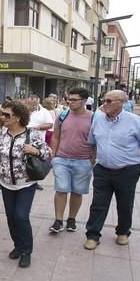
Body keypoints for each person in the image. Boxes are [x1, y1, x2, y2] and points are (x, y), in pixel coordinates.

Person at [84, 90, 140, 250]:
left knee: (125, 203)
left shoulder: (135, 121)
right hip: (102, 169)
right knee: (98, 204)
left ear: (122, 102)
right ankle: (93, 235)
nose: (105, 104)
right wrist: (93, 159)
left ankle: (122, 232)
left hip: (127, 171)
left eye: (109, 101)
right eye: (104, 100)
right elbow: (92, 142)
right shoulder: (98, 119)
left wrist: (133, 159)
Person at [0, 100, 51, 267]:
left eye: (6, 115)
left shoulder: (31, 135)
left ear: (17, 117)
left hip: (26, 183)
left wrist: (35, 151)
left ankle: (26, 251)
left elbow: (47, 153)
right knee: (11, 218)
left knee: (21, 217)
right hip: (6, 183)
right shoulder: (1, 135)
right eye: (3, 114)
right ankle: (18, 245)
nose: (3, 117)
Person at [49, 88, 94, 234]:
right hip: (62, 159)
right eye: (69, 99)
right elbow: (55, 136)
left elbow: (97, 140)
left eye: (74, 100)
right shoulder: (62, 115)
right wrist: (54, 156)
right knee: (61, 190)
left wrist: (92, 159)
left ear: (84, 101)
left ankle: (72, 219)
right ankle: (58, 221)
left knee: (77, 192)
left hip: (83, 161)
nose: (70, 102)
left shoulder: (93, 118)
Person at [27, 94, 54, 190]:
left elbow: (50, 124)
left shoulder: (44, 112)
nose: (32, 105)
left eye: (34, 102)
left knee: (35, 162)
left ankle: (35, 181)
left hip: (37, 142)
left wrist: (36, 127)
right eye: (30, 103)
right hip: (23, 140)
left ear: (38, 101)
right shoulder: (24, 110)